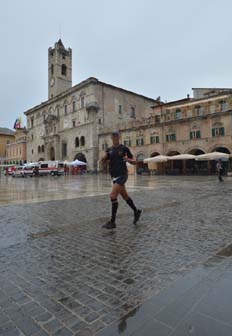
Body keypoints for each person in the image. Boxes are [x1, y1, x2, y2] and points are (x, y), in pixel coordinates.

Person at [101, 131, 142, 229]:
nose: (115, 138)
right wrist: (103, 159)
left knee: (112, 196)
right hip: (114, 176)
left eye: (116, 136)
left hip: (122, 175)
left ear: (119, 137)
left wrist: (128, 160)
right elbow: (104, 161)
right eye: (113, 136)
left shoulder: (124, 149)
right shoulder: (109, 150)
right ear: (111, 138)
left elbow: (134, 162)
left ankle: (112, 222)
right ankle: (136, 211)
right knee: (125, 196)